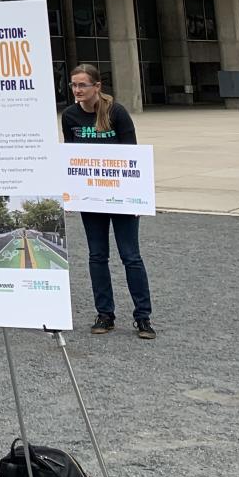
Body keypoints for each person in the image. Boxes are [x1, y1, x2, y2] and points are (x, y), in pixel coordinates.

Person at [61, 64, 156, 340]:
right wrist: (71, 195)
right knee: (97, 256)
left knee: (131, 256)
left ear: (97, 86)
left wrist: (136, 200)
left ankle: (143, 317)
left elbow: (132, 157)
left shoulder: (116, 113)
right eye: (74, 85)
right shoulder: (70, 116)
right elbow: (70, 158)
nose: (78, 90)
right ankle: (105, 314)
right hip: (91, 199)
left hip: (120, 196)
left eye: (82, 85)